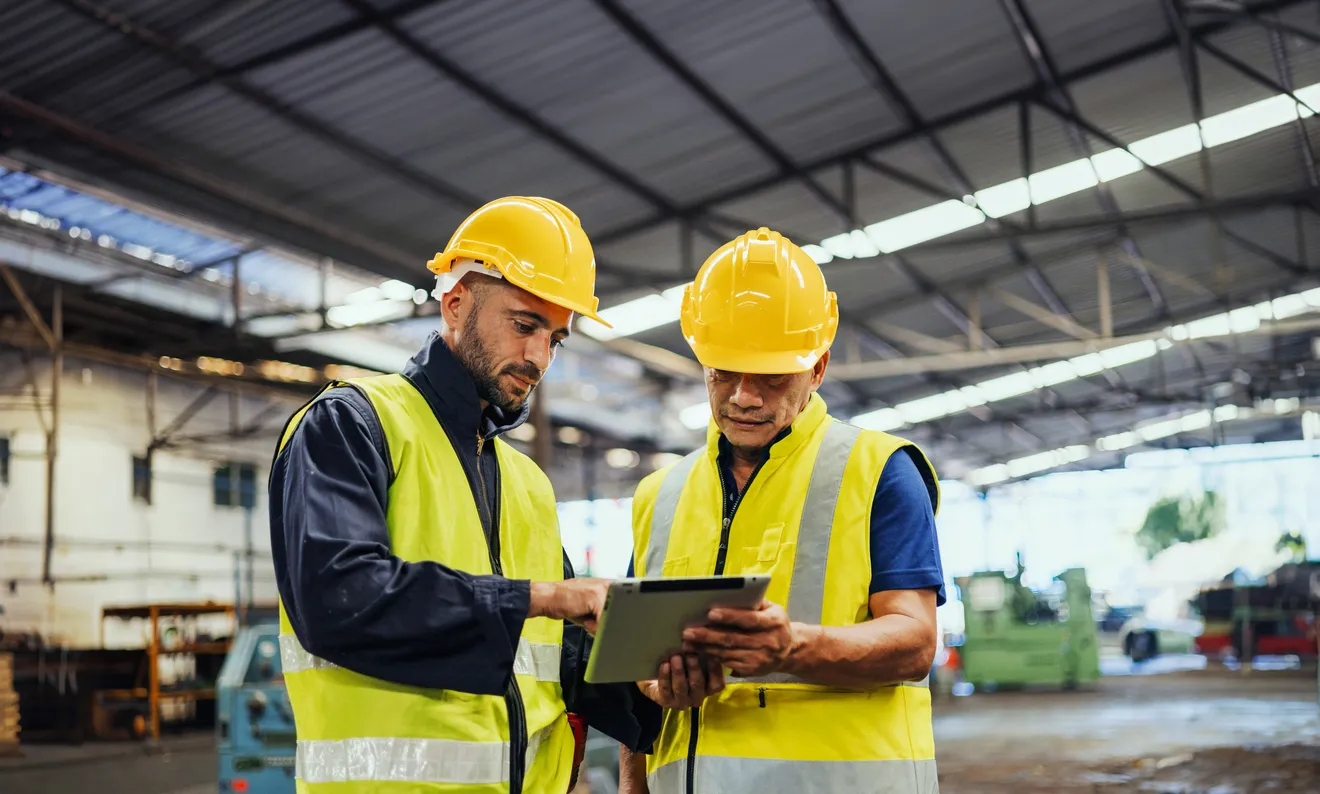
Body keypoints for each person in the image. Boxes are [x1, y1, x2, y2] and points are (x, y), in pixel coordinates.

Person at [270, 196, 660, 794]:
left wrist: (651, 680)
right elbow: (340, 597)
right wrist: (546, 596)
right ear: (455, 304)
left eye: (556, 338)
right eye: (525, 324)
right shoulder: (353, 424)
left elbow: (554, 655)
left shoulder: (526, 481)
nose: (539, 358)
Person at [619, 228, 945, 794]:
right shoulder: (660, 493)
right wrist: (636, 766)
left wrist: (793, 646)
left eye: (770, 376)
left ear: (817, 368)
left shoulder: (879, 470)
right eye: (723, 370)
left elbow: (915, 642)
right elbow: (634, 663)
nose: (744, 396)